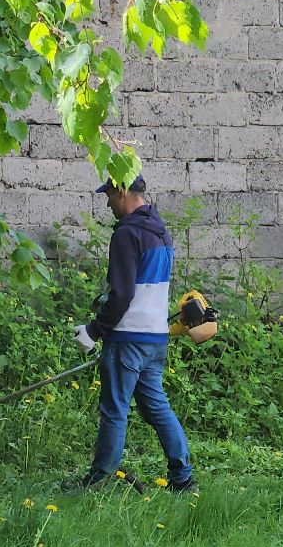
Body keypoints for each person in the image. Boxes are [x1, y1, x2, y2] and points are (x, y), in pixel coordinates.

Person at [69, 175, 195, 493]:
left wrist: (94, 330)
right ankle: (183, 478)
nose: (108, 203)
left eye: (110, 195)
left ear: (123, 191)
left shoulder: (126, 233)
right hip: (155, 337)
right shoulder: (161, 232)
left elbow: (123, 294)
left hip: (127, 338)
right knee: (157, 407)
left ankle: (99, 480)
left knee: (115, 410)